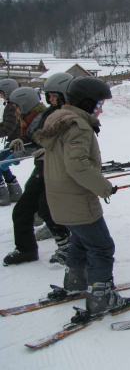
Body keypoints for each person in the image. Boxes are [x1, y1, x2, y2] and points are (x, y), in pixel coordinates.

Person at [33, 76, 130, 315]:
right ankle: (102, 296)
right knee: (101, 246)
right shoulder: (78, 125)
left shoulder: (57, 118)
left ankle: (76, 281)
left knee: (79, 239)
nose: (101, 109)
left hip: (59, 198)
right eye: (99, 104)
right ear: (88, 103)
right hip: (77, 199)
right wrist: (103, 186)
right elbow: (76, 165)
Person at [3, 74, 73, 266]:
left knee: (45, 207)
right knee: (25, 209)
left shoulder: (67, 115)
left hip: (56, 168)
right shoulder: (50, 113)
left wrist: (48, 151)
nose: (49, 100)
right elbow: (40, 137)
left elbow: (69, 143)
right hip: (44, 166)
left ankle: (67, 246)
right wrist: (24, 142)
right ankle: (27, 249)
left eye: (52, 96)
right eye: (48, 96)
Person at [0, 79, 22, 206]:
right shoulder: (12, 105)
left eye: (1, 93)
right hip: (15, 140)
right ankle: (15, 192)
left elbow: (8, 128)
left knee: (1, 162)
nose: (1, 96)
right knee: (3, 164)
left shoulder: (12, 106)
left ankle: (3, 194)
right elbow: (6, 124)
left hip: (16, 141)